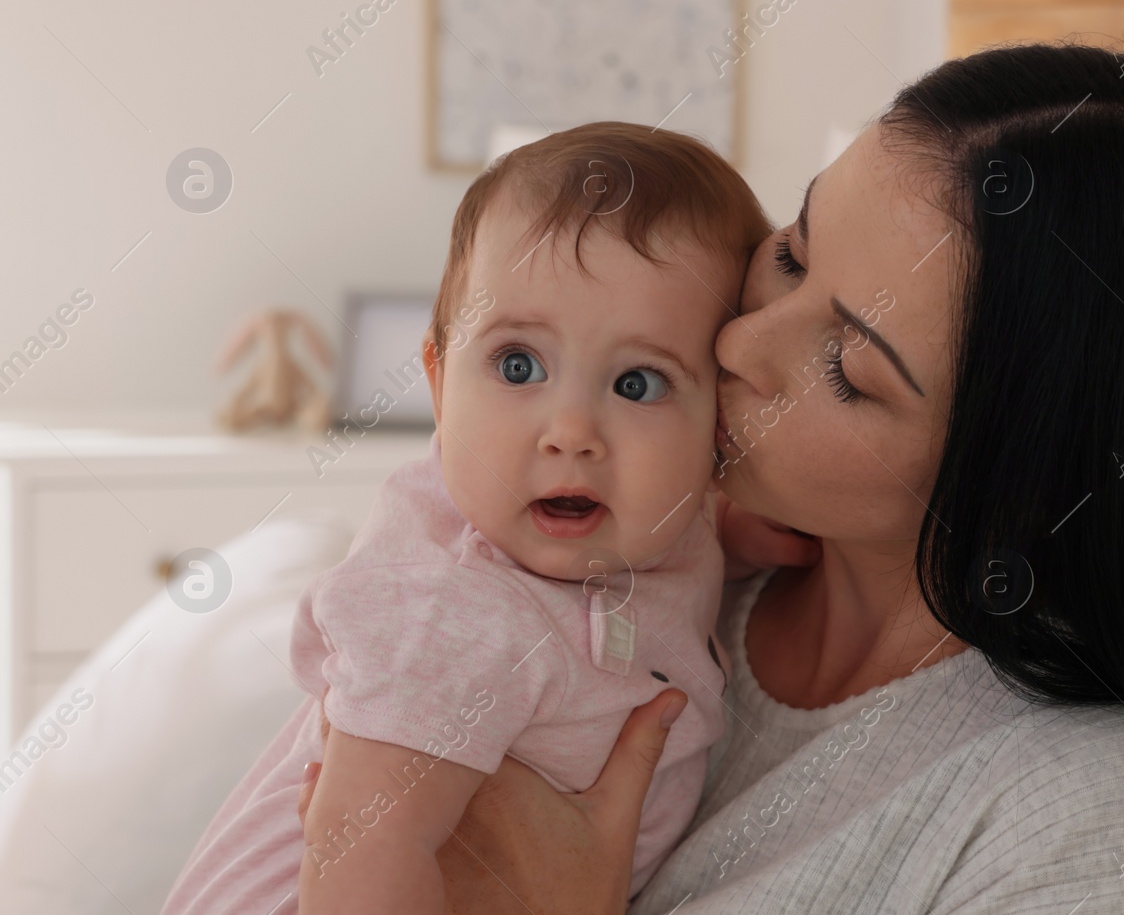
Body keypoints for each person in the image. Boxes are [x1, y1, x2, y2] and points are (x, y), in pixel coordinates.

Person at [303, 43, 1124, 915]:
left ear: (1024, 485)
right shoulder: (616, 541)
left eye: (849, 368)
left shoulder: (1080, 823)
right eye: (792, 251)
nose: (736, 347)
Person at [164, 122, 772, 914]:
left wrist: (749, 530)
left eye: (638, 384)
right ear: (439, 383)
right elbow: (361, 846)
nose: (570, 431)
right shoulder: (452, 612)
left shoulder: (662, 519)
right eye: (518, 365)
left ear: (718, 427)